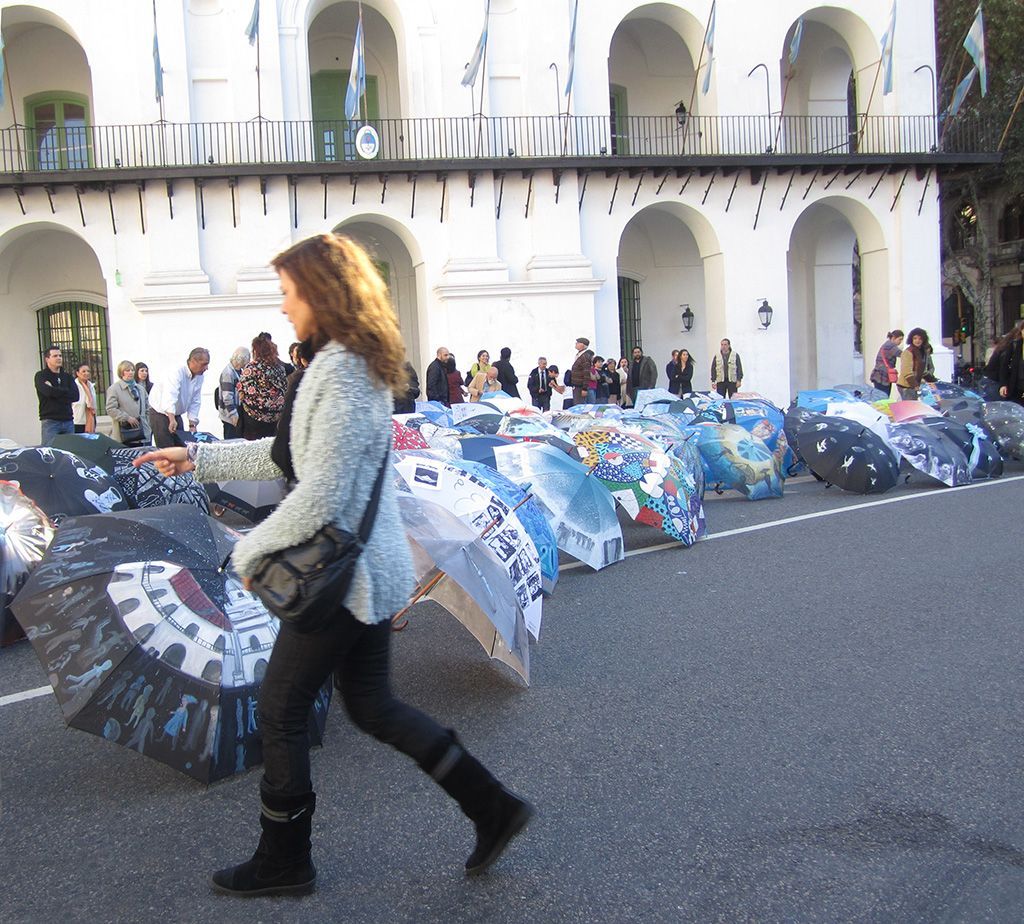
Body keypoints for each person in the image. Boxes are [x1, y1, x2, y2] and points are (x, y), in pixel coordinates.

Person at [135, 233, 531, 896]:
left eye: (290, 292)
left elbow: (323, 494)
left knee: (281, 710)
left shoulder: (342, 372)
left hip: (342, 577)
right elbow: (287, 457)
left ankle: (285, 859)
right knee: (374, 706)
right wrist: (197, 457)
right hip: (358, 571)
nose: (284, 306)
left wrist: (247, 551)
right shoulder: (337, 364)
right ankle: (491, 806)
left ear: (320, 293)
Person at [147, 348, 209, 448]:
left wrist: (192, 425)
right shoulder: (176, 371)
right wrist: (171, 419)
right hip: (160, 414)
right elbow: (170, 395)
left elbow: (195, 400)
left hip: (176, 414)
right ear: (193, 361)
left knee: (181, 448)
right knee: (167, 450)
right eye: (204, 364)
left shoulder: (199, 376)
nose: (206, 368)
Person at [238, 335, 288, 440]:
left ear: (255, 351)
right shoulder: (279, 368)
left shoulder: (251, 368)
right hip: (275, 417)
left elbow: (242, 390)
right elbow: (284, 388)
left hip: (255, 418)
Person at [34, 345, 78, 445]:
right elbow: (47, 392)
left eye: (60, 356)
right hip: (50, 421)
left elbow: (75, 396)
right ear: (47, 359)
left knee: (70, 451)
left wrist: (54, 390)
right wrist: (65, 391)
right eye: (55, 356)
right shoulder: (41, 376)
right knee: (49, 451)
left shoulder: (67, 377)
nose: (59, 358)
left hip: (68, 421)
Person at [106, 360, 151, 446]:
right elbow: (111, 409)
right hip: (124, 433)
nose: (130, 372)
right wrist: (127, 418)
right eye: (127, 370)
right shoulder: (114, 389)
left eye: (132, 370)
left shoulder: (140, 389)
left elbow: (147, 408)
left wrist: (147, 424)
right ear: (121, 372)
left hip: (142, 433)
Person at [218, 347, 251, 440]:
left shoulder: (239, 371)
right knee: (231, 440)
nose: (248, 362)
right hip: (230, 415)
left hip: (237, 411)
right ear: (242, 360)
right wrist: (234, 415)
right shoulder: (228, 373)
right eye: (247, 359)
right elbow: (227, 397)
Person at [897, 327, 937, 400]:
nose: (917, 341)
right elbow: (906, 372)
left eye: (920, 339)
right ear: (911, 339)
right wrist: (915, 385)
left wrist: (933, 380)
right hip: (906, 386)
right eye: (915, 338)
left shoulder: (922, 352)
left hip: (916, 385)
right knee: (910, 406)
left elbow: (923, 371)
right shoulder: (907, 352)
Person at [869, 330, 904, 394]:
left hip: (878, 375)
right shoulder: (891, 346)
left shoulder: (886, 344)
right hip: (883, 376)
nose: (901, 342)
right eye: (900, 339)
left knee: (880, 396)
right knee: (884, 396)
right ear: (893, 338)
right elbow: (903, 355)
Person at [998, 327, 1024, 405]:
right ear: (1021, 331)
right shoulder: (1015, 345)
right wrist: (1003, 384)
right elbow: (1004, 366)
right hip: (1016, 388)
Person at [72, 362, 98, 434]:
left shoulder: (91, 386)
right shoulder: (74, 385)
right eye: (83, 371)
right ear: (77, 373)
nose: (86, 373)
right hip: (78, 421)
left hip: (90, 419)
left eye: (88, 371)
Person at [570, 337, 594, 405]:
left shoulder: (585, 357)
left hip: (580, 386)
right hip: (576, 386)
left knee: (580, 405)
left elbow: (586, 373)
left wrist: (584, 388)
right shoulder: (579, 355)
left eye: (578, 343)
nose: (576, 344)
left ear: (582, 345)